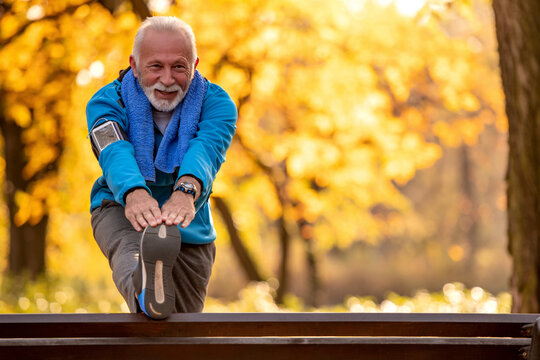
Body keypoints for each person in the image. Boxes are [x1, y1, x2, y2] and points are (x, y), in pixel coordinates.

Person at [86, 16, 237, 319]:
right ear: (135, 63)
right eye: (156, 66)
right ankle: (144, 282)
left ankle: (148, 294)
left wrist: (185, 191)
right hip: (119, 207)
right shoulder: (106, 103)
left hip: (189, 225)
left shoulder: (218, 105)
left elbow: (206, 150)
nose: (167, 79)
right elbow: (114, 150)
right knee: (131, 254)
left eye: (178, 67)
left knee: (183, 328)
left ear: (194, 64)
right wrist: (133, 192)